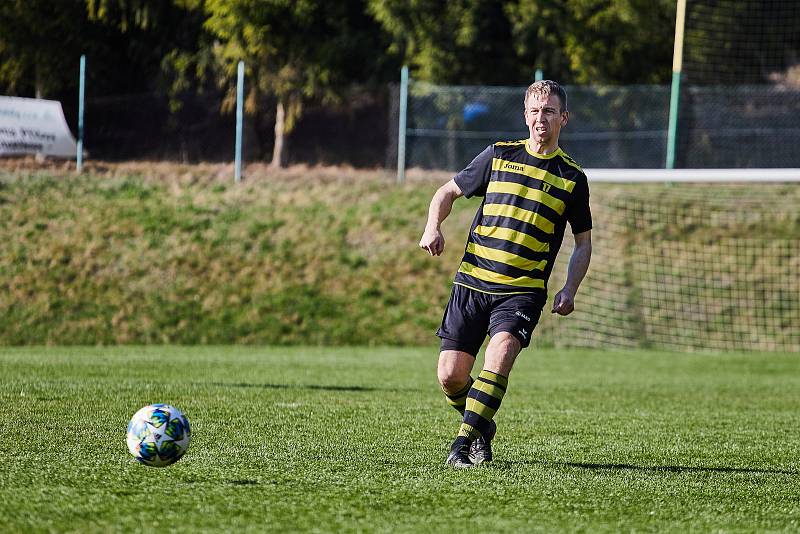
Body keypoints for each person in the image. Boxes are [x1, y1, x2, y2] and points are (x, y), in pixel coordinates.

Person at [419, 80, 592, 468]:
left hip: (522, 292)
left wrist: (569, 288)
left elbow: (583, 243)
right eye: (534, 110)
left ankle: (462, 446)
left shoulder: (572, 178)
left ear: (563, 118)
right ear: (525, 115)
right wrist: (433, 227)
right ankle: (481, 423)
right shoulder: (499, 155)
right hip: (472, 281)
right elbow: (445, 192)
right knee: (450, 376)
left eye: (548, 111)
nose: (540, 118)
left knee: (498, 358)